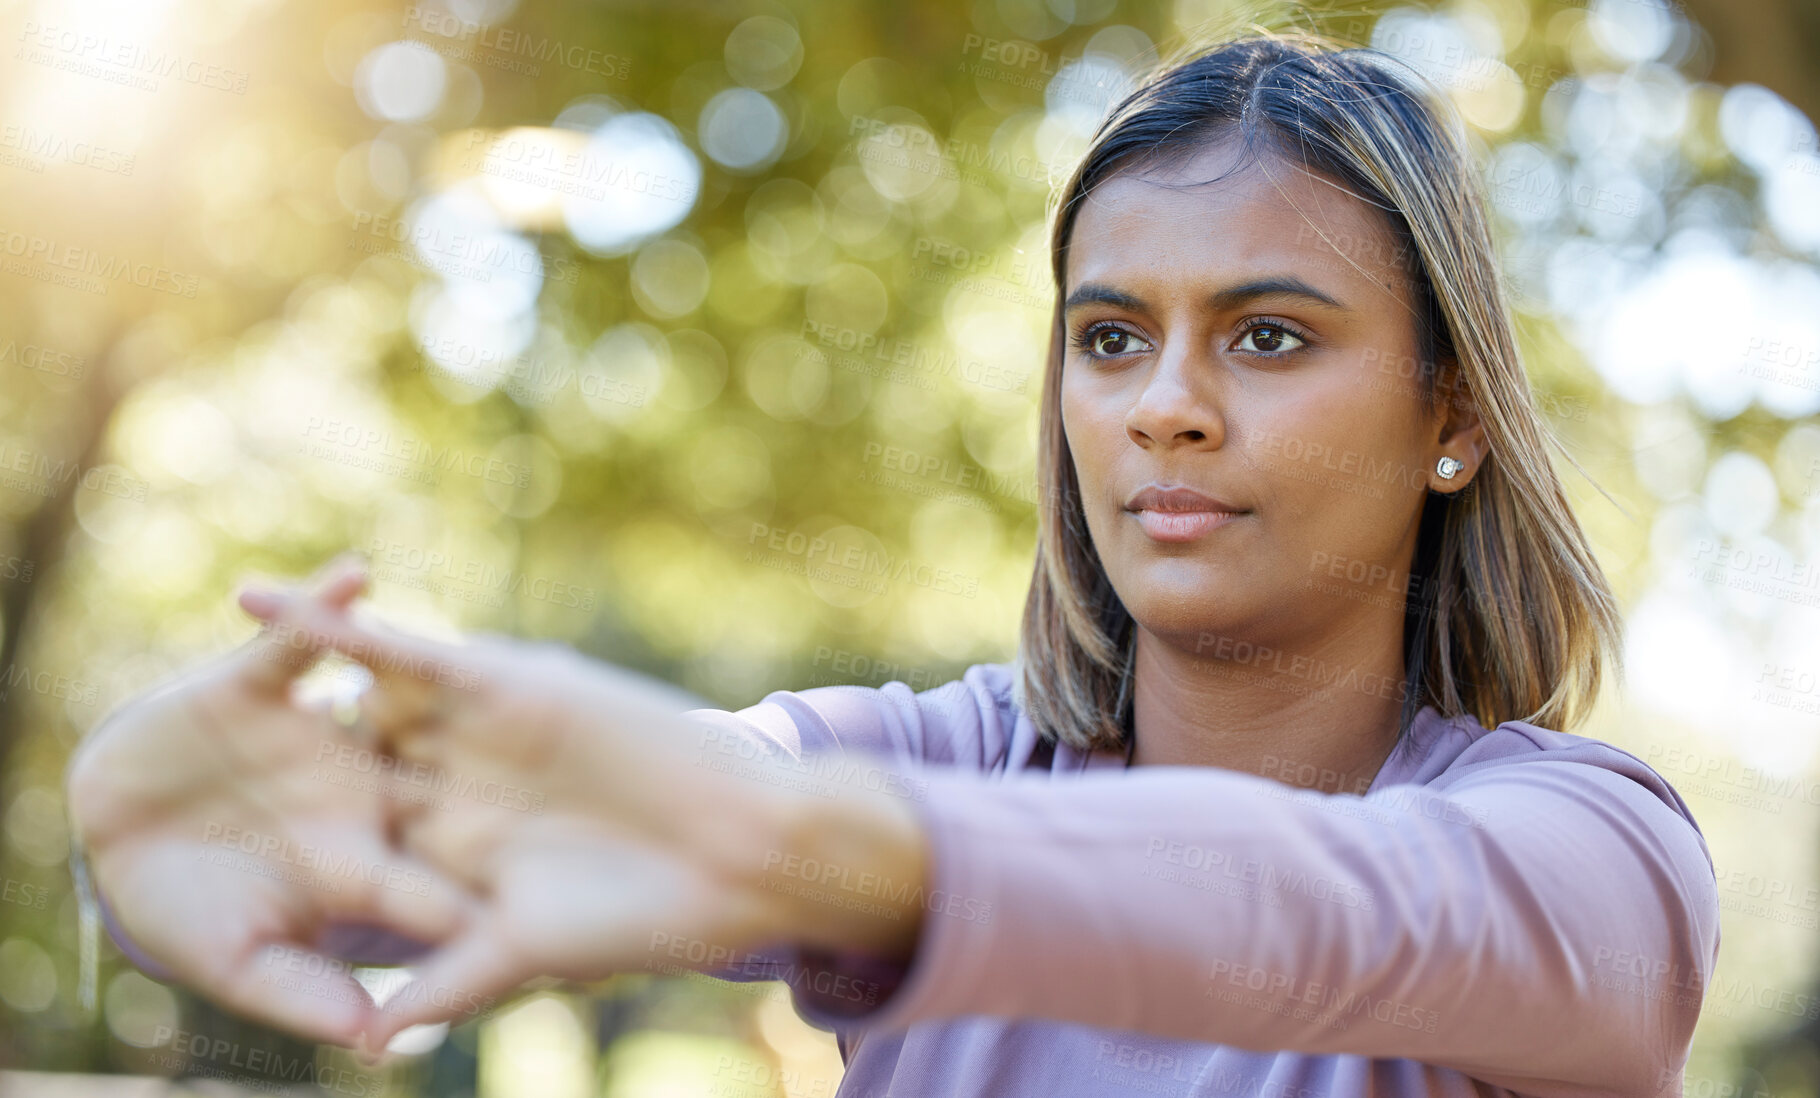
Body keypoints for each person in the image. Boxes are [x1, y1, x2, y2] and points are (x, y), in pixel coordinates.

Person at [66, 33, 1719, 1097]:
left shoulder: (1592, 853)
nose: (1166, 408)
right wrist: (192, 823)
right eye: (1112, 336)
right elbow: (574, 815)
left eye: (1270, 335)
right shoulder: (912, 762)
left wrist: (824, 853)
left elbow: (1357, 915)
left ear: (1454, 411)